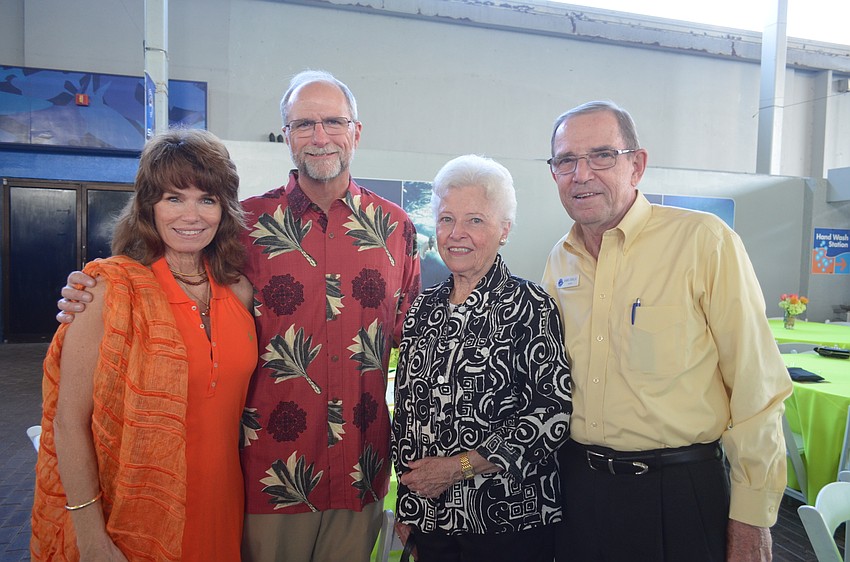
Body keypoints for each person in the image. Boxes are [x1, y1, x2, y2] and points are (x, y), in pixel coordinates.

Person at [57, 70, 421, 562]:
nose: (320, 136)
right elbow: (166, 276)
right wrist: (92, 290)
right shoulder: (242, 227)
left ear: (356, 131)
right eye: (303, 124)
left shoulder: (396, 228)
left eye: (334, 122)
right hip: (268, 477)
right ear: (286, 135)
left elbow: (414, 345)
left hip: (362, 470)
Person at [541, 100, 793, 562]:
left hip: (678, 493)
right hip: (578, 492)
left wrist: (752, 517)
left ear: (637, 165)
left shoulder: (703, 241)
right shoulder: (560, 259)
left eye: (602, 156)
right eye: (566, 160)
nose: (581, 174)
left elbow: (757, 388)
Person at [32, 128, 256, 561]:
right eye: (174, 198)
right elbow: (68, 422)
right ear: (148, 206)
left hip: (223, 504)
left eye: (207, 199)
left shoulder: (239, 292)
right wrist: (92, 539)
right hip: (135, 514)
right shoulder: (109, 292)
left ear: (224, 209)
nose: (191, 215)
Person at [392, 154, 572, 562]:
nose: (457, 234)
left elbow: (551, 415)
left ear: (504, 229)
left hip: (507, 520)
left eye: (475, 220)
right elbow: (407, 416)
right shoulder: (423, 308)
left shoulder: (530, 305)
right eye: (446, 219)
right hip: (432, 520)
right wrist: (409, 505)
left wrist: (457, 468)